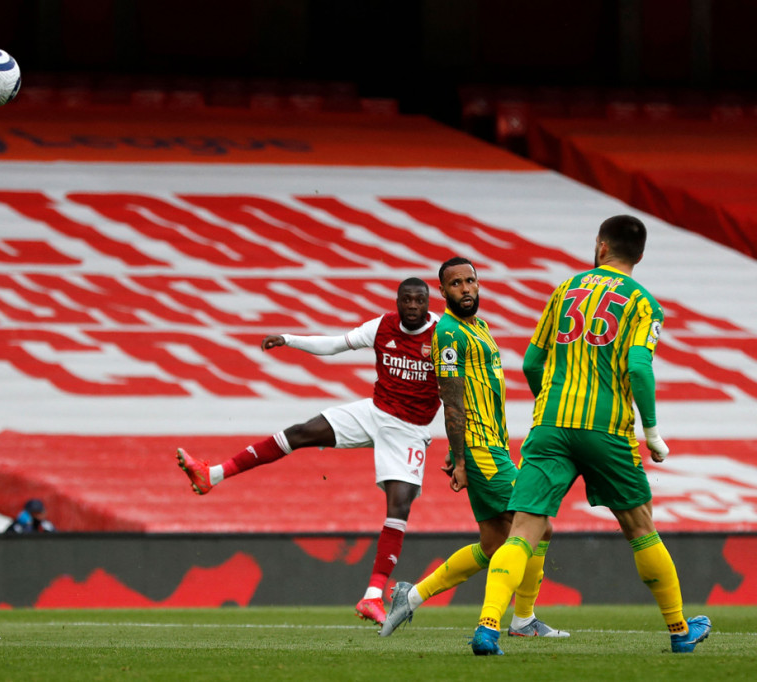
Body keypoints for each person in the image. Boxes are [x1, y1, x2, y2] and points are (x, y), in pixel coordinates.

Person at [469, 216, 711, 655]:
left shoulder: (565, 290)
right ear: (639, 255)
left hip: (550, 424)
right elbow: (638, 367)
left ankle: (488, 626)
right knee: (639, 526)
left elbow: (530, 363)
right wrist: (652, 432)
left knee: (522, 530)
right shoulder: (643, 303)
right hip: (607, 429)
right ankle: (680, 631)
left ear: (601, 247)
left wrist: (553, 404)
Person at [177, 278, 440, 625]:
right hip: (374, 412)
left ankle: (372, 596)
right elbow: (334, 345)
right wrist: (289, 339)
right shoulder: (383, 325)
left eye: (418, 300)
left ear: (427, 303)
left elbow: (456, 392)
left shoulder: (443, 335)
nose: (412, 306)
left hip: (409, 429)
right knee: (300, 432)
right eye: (406, 300)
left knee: (399, 506)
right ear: (397, 301)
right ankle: (211, 475)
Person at [380, 257, 566, 639]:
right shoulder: (448, 333)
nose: (465, 289)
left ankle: (410, 596)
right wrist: (462, 458)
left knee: (494, 542)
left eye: (470, 281)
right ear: (443, 292)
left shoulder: (478, 326)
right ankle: (522, 620)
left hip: (493, 443)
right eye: (456, 284)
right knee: (539, 526)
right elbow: (451, 399)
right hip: (481, 450)